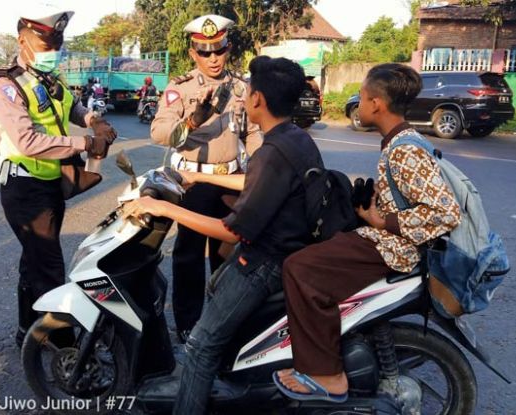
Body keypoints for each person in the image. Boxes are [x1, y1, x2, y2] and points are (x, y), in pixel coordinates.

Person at [125, 56, 321, 415]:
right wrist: (203, 177)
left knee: (200, 346)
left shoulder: (271, 152)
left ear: (258, 100)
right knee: (212, 281)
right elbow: (252, 180)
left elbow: (230, 229)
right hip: (281, 244)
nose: (243, 100)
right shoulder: (293, 138)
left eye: (249, 94)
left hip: (265, 261)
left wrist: (165, 209)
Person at [273, 64, 462, 402]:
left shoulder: (405, 149)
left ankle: (327, 375)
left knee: (299, 268)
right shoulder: (399, 139)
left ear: (376, 104)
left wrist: (382, 223)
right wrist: (372, 210)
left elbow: (445, 213)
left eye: (361, 96)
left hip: (393, 248)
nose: (357, 103)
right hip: (386, 237)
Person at [0, 8, 117, 347]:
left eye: (56, 44)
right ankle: (65, 348)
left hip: (48, 185)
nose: (52, 51)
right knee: (48, 267)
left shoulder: (48, 78)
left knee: (34, 260)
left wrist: (94, 120)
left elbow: (73, 105)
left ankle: (28, 332)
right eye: (45, 44)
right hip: (24, 188)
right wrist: (85, 142)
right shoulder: (7, 85)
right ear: (23, 41)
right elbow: (27, 140)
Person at [150, 14, 263, 343]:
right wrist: (192, 124)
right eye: (205, 52)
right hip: (194, 182)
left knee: (227, 258)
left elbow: (253, 133)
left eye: (219, 50)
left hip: (231, 181)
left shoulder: (242, 87)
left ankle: (222, 324)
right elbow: (160, 133)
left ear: (228, 48)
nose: (213, 58)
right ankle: (187, 326)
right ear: (193, 53)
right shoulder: (180, 88)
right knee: (188, 256)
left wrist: (257, 168)